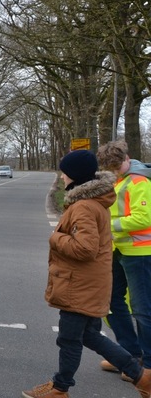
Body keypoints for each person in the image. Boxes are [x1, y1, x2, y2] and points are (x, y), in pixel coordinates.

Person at [22, 149, 151, 398]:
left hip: (79, 284)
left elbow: (85, 249)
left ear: (75, 176)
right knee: (90, 335)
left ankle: (60, 388)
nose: (61, 177)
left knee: (69, 339)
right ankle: (141, 376)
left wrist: (56, 237)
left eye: (64, 172)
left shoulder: (83, 207)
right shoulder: (93, 202)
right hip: (88, 282)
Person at [96, 141, 151, 379]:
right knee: (109, 302)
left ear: (127, 159)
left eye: (118, 166)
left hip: (141, 252)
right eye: (111, 167)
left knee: (143, 310)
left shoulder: (140, 181)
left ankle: (147, 366)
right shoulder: (120, 179)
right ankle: (129, 356)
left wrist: (108, 226)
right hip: (119, 249)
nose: (116, 170)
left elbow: (144, 218)